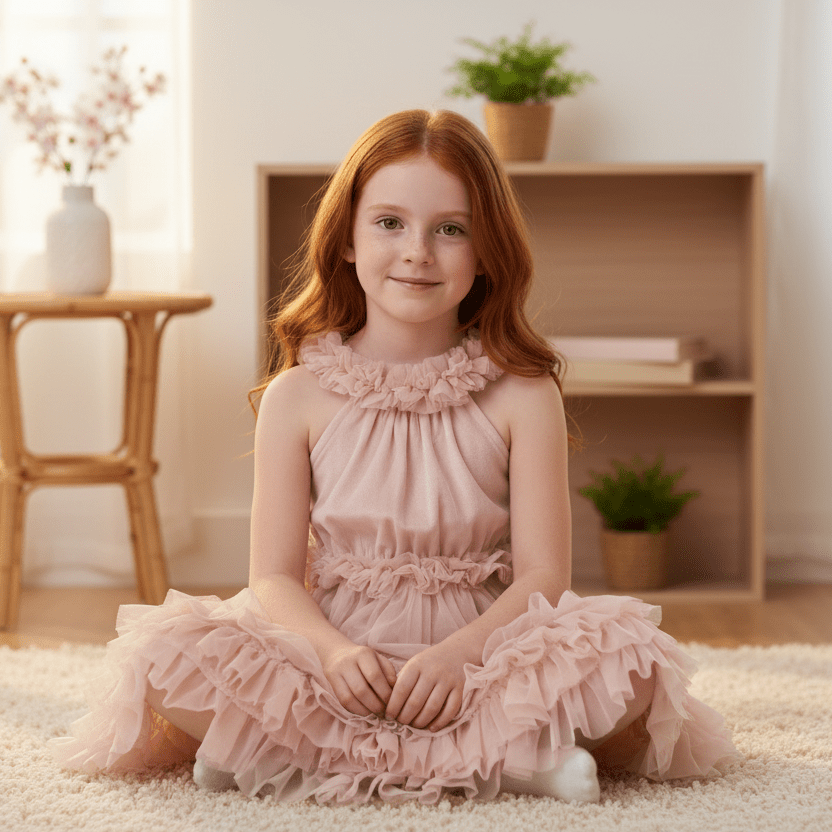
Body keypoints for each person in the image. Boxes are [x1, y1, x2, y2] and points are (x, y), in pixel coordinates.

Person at [50, 109, 741, 804]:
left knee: (637, 661)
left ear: (485, 251)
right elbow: (274, 579)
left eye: (451, 228)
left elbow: (544, 576)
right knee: (166, 657)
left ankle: (280, 753)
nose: (418, 251)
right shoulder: (296, 394)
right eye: (389, 223)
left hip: (482, 655)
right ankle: (515, 760)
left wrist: (460, 656)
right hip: (335, 658)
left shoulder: (524, 393)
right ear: (347, 239)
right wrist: (334, 652)